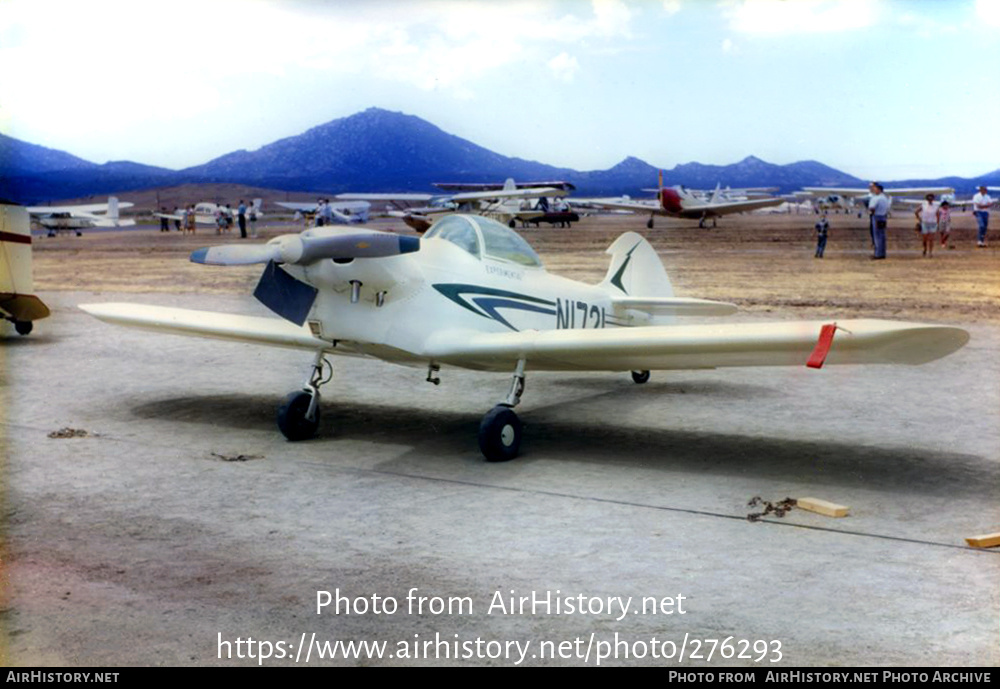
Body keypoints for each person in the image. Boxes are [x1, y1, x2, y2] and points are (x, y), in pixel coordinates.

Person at [867, 182, 889, 259]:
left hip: (876, 216)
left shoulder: (876, 198)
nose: (874, 190)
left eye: (875, 188)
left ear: (879, 189)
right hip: (883, 216)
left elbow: (872, 208)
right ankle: (882, 253)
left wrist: (871, 212)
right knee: (882, 236)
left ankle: (878, 254)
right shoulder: (885, 198)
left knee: (877, 236)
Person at [914, 193, 939, 257]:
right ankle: (925, 249)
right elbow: (916, 211)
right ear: (927, 199)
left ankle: (930, 252)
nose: (930, 199)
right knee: (925, 239)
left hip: (933, 223)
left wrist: (937, 223)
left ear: (933, 199)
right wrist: (919, 219)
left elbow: (938, 214)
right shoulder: (923, 205)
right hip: (925, 223)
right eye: (929, 198)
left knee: (931, 239)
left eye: (931, 198)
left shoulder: (936, 206)